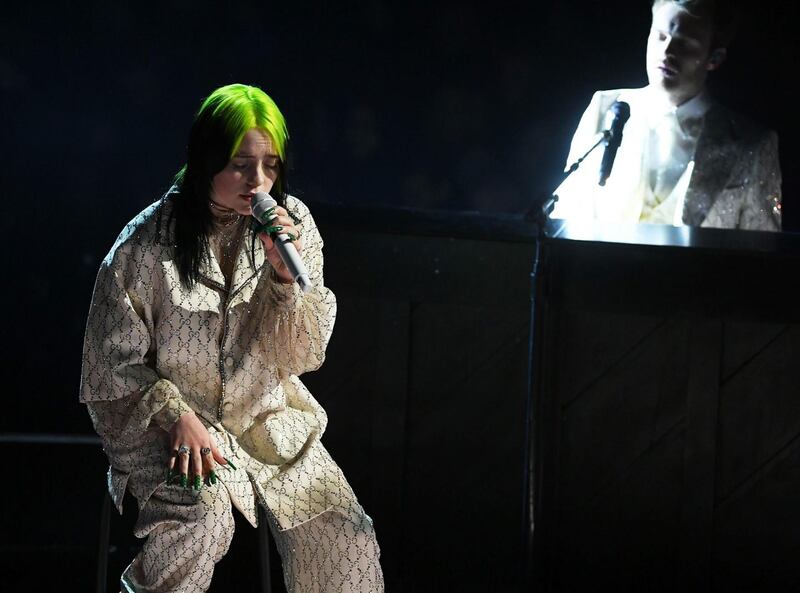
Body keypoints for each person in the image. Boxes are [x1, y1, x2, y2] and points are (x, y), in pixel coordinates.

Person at [80, 83, 384, 592]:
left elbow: (304, 354)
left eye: (270, 165)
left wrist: (284, 281)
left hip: (267, 421)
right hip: (169, 429)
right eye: (242, 164)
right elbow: (108, 366)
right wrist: (174, 413)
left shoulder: (295, 227)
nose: (258, 180)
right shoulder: (145, 245)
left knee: (344, 534)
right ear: (206, 159)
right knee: (203, 519)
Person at [550, 0, 782, 231]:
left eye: (685, 44)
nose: (667, 52)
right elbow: (566, 213)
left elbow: (760, 254)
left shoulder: (752, 145)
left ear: (715, 58)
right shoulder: (606, 108)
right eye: (660, 36)